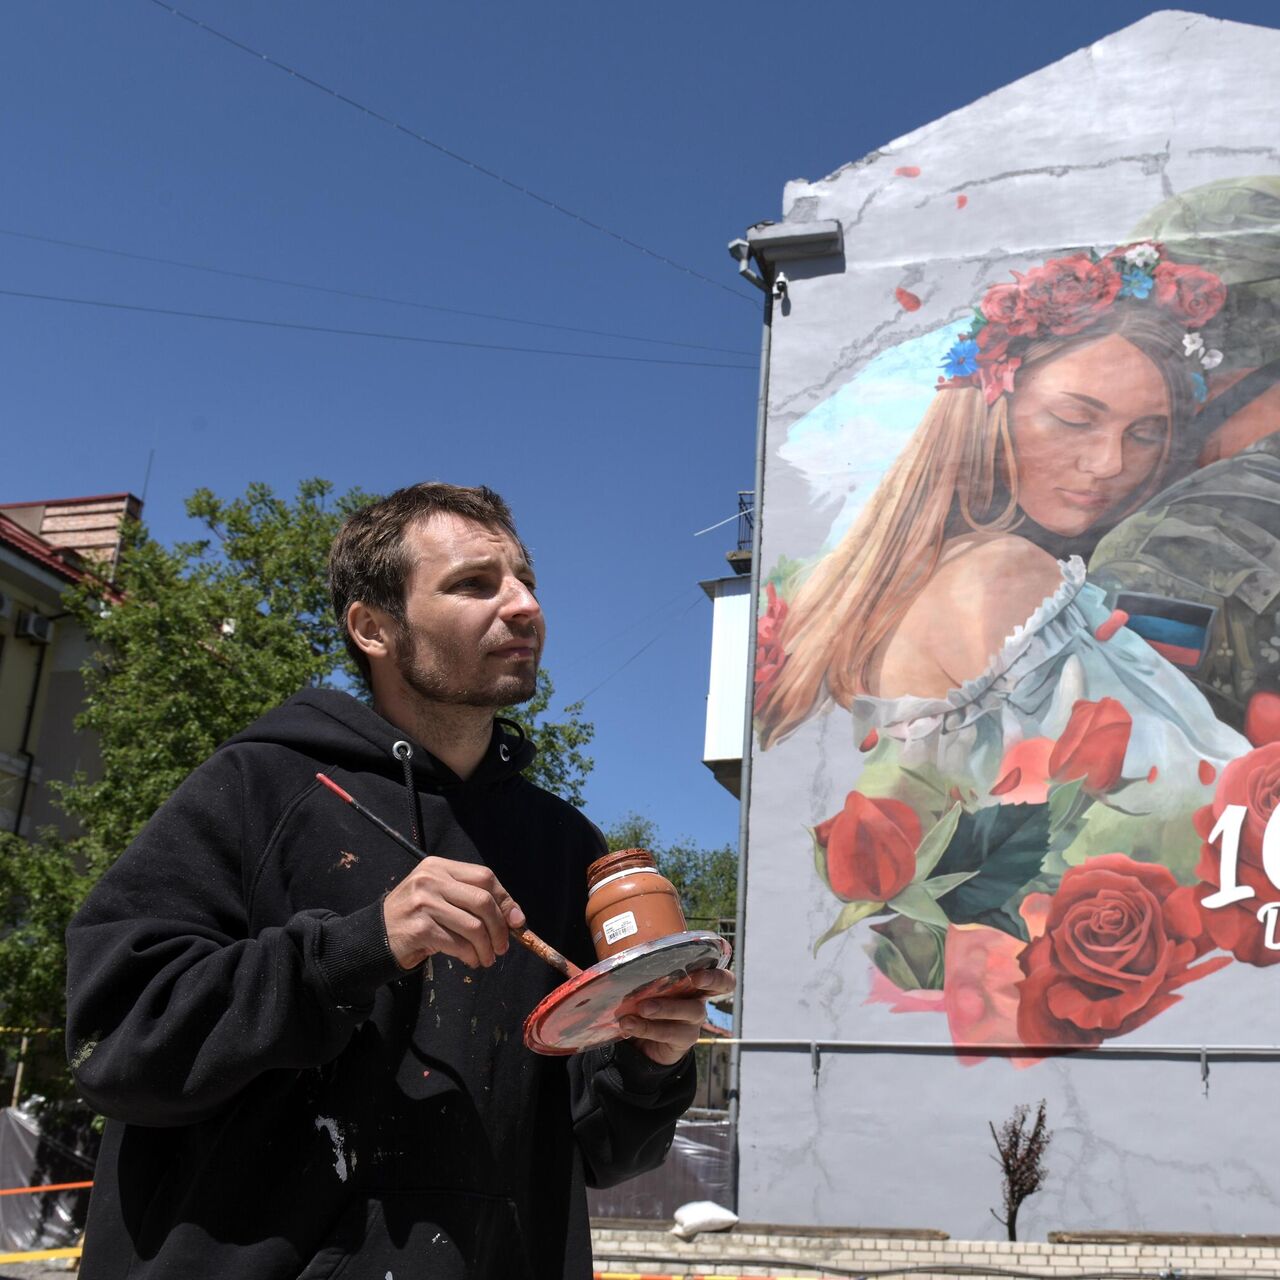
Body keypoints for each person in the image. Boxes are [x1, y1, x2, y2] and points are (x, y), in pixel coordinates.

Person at [64, 483, 733, 1280]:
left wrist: (652, 1063)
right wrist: (359, 945)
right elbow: (117, 1043)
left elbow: (603, 1148)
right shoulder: (259, 786)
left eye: (526, 580)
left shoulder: (565, 847)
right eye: (475, 584)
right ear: (373, 628)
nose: (523, 606)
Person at [754, 244, 1246, 793]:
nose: (1110, 464)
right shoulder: (1003, 574)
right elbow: (1169, 800)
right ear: (989, 409)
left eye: (1147, 433)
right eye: (1073, 418)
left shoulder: (875, 583)